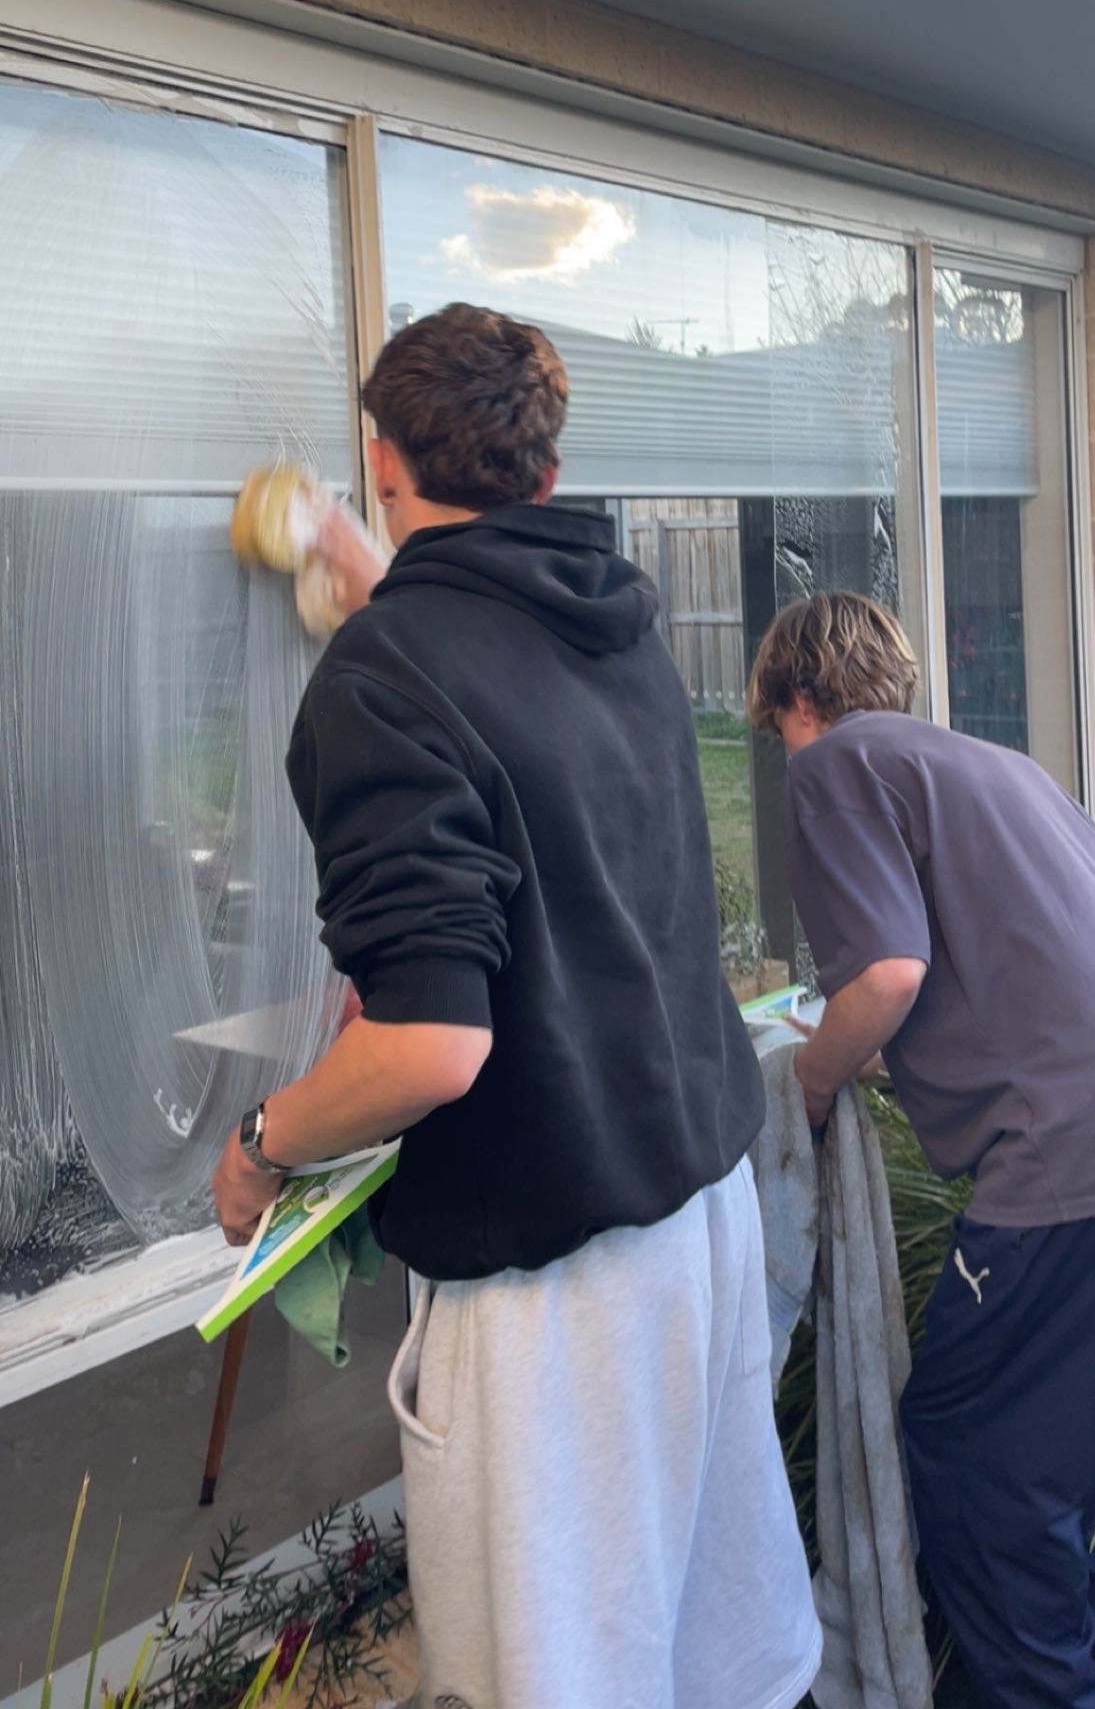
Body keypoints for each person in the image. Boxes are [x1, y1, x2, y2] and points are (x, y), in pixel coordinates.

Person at [213, 302, 820, 1709]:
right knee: (708, 1643)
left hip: (559, 1292)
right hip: (697, 1210)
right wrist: (382, 581)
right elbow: (495, 689)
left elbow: (429, 1042)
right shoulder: (613, 628)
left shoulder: (387, 682)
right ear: (546, 476)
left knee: (562, 1672)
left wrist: (262, 1143)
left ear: (381, 462)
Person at [747, 590, 1095, 1709]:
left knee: (977, 1462)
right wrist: (860, 1051)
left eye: (773, 730)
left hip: (1084, 1153)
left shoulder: (838, 765)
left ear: (797, 699)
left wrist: (811, 1086)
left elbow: (885, 977)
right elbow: (986, 986)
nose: (780, 758)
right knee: (1068, 1467)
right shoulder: (988, 766)